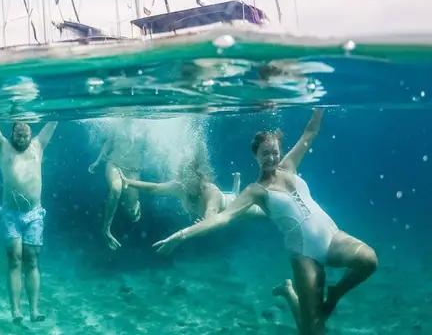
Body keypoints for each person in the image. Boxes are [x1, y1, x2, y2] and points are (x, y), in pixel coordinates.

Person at [151, 109, 377, 335]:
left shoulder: (288, 167)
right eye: (265, 153)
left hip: (332, 237)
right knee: (313, 332)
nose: (271, 158)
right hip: (305, 255)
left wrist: (318, 108)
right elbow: (223, 217)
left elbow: (310, 132)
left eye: (274, 152)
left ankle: (335, 293)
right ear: (256, 156)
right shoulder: (256, 191)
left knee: (369, 260)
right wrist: (182, 235)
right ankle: (290, 293)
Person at [0, 121, 58, 324]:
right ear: (11, 134)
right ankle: (16, 311)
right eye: (18, 135)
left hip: (34, 214)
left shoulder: (38, 145)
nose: (22, 139)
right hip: (10, 214)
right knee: (15, 259)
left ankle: (34, 310)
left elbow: (52, 122)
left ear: (31, 134)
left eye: (25, 135)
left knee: (32, 260)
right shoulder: (2, 146)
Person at [120, 156, 264, 221]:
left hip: (232, 205)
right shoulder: (180, 186)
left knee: (262, 212)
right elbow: (155, 188)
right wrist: (129, 182)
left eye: (190, 177)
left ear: (199, 176)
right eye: (184, 177)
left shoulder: (210, 191)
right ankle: (236, 186)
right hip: (222, 203)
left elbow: (211, 213)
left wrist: (205, 222)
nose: (186, 182)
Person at [88, 127, 146, 249]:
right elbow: (108, 142)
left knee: (133, 214)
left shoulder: (146, 124)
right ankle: (106, 229)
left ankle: (131, 202)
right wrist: (98, 161)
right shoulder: (118, 121)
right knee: (116, 189)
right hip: (114, 163)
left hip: (134, 170)